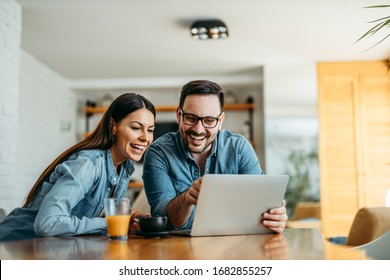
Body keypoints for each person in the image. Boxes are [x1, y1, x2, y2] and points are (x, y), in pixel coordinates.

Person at [0, 93, 155, 241]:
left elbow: (95, 215)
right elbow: (48, 223)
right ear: (113, 126)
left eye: (150, 130)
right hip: (13, 246)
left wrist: (130, 216)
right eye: (135, 128)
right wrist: (114, 222)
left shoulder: (124, 168)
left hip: (51, 250)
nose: (145, 137)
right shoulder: (87, 164)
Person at [143, 80, 288, 233]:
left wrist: (275, 218)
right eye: (191, 118)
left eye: (209, 120)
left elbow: (260, 206)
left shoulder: (239, 148)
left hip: (233, 248)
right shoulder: (158, 153)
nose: (199, 129)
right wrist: (186, 199)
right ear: (179, 115)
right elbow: (163, 220)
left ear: (220, 121)